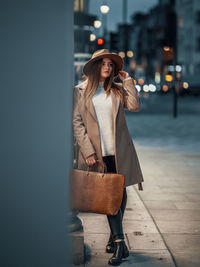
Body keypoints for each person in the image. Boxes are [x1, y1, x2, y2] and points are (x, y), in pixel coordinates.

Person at [73, 49, 144, 266]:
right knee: (109, 196)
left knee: (118, 193)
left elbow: (134, 106)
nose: (107, 67)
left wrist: (129, 81)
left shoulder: (117, 90)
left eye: (111, 64)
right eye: (103, 63)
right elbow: (77, 122)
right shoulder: (81, 91)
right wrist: (88, 152)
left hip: (119, 150)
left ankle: (117, 239)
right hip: (97, 153)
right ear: (95, 67)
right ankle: (120, 241)